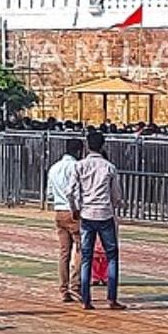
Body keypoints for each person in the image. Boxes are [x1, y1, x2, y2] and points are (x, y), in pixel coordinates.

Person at [69, 131, 125, 310]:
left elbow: (71, 191)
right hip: (105, 214)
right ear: (103, 146)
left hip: (86, 214)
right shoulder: (109, 167)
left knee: (86, 257)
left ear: (87, 145)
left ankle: (86, 300)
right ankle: (111, 299)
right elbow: (116, 194)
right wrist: (115, 205)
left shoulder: (80, 166)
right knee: (112, 257)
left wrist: (75, 208)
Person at [46, 138, 84, 303]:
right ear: (79, 151)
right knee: (81, 249)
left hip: (59, 211)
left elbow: (49, 194)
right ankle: (76, 285)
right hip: (74, 211)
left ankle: (64, 289)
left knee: (64, 252)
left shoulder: (54, 168)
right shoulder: (77, 167)